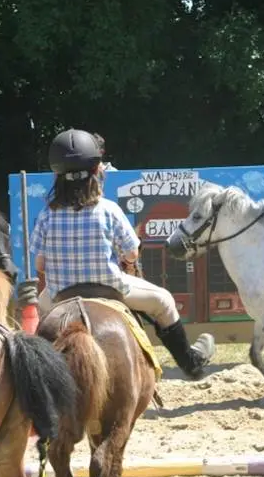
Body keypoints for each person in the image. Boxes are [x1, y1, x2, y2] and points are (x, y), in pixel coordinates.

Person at [30, 128, 214, 379]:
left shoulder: (46, 214)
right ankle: (191, 364)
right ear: (96, 171)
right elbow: (131, 254)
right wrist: (126, 258)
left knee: (41, 315)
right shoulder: (108, 209)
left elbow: (40, 264)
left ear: (57, 176)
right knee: (164, 301)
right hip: (110, 289)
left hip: (61, 296)